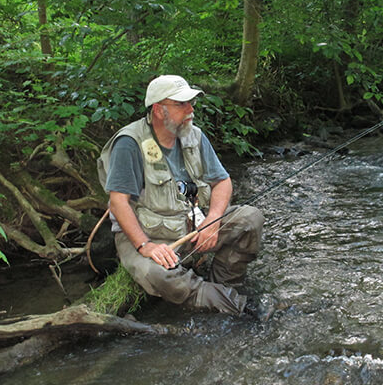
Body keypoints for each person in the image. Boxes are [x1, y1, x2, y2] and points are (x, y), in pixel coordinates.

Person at [97, 75, 264, 315]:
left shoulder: (194, 135)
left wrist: (213, 222)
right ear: (158, 110)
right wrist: (146, 246)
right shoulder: (129, 143)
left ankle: (224, 286)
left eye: (191, 102)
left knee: (250, 219)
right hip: (149, 235)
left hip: (191, 227)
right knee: (155, 273)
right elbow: (118, 202)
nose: (190, 108)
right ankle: (240, 307)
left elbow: (223, 181)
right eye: (181, 104)